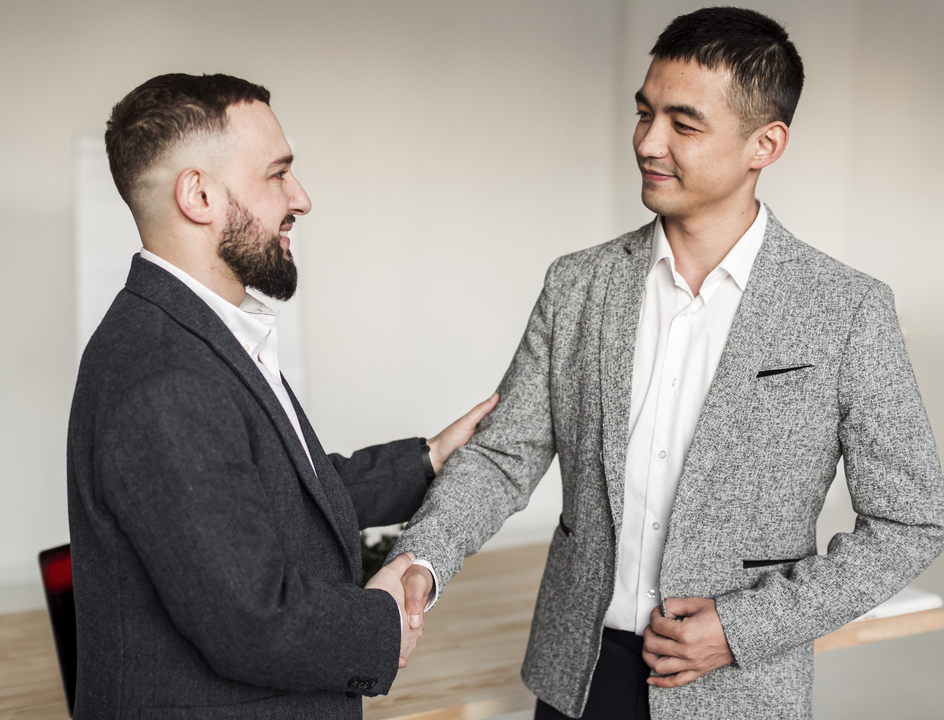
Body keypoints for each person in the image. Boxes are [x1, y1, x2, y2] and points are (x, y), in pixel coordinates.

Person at [391, 7, 944, 720]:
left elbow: (910, 524)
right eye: (644, 113)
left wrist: (743, 630)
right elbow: (505, 455)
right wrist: (423, 560)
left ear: (765, 144)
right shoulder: (577, 284)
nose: (649, 142)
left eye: (684, 125)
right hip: (575, 675)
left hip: (738, 691)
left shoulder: (848, 310)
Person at [66, 73, 498, 720]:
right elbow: (254, 622)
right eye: (278, 174)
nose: (301, 198)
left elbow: (282, 495)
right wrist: (386, 616)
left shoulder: (196, 332)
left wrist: (430, 457)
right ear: (200, 194)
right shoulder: (165, 377)